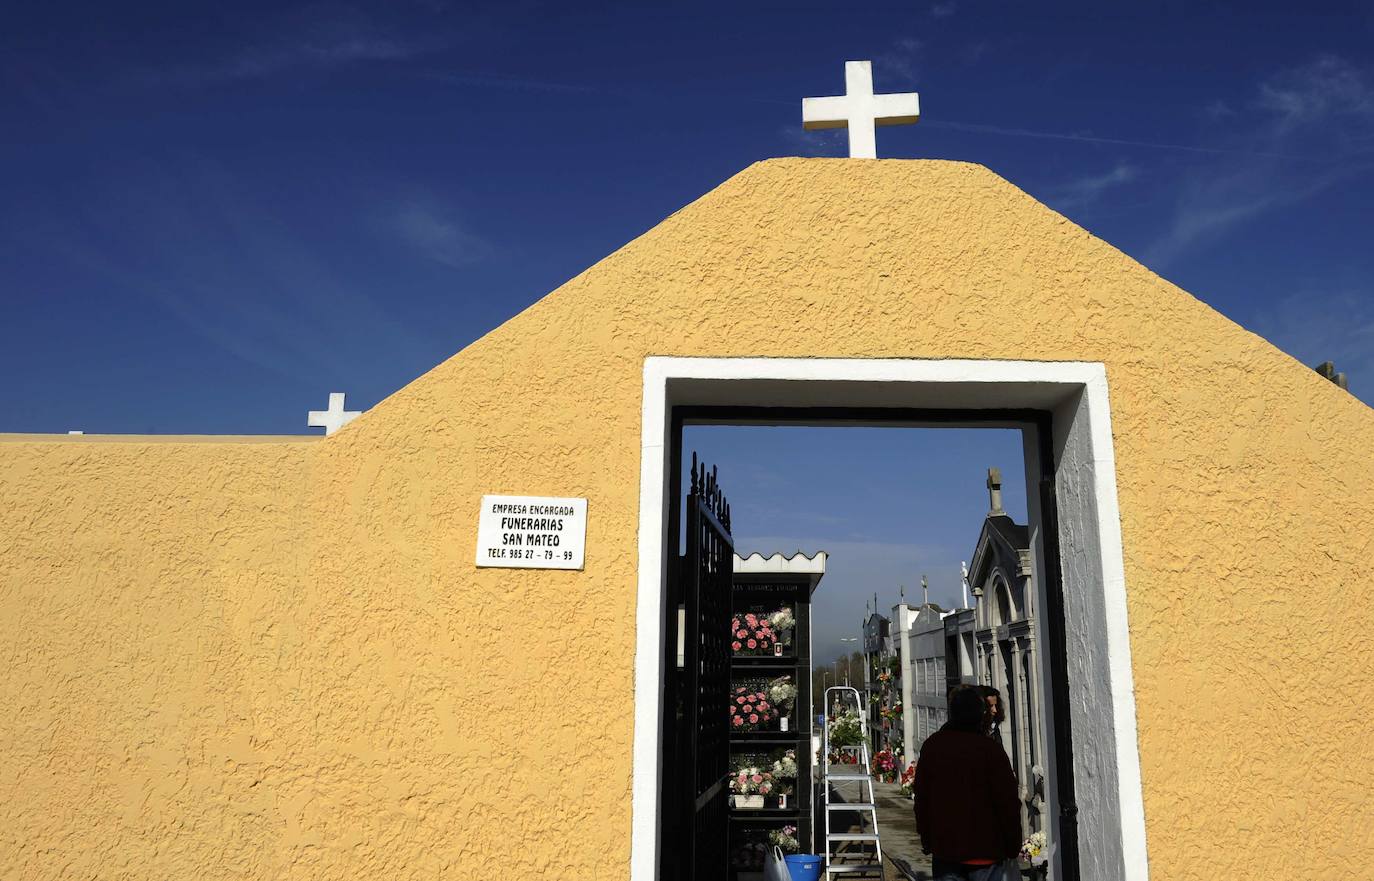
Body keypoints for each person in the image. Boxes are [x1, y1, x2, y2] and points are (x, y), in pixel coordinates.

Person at [913, 684, 1021, 880]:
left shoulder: (933, 746)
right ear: (980, 715)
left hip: (946, 850)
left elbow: (922, 797)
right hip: (985, 852)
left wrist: (927, 838)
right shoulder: (990, 750)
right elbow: (1007, 801)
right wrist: (1013, 845)